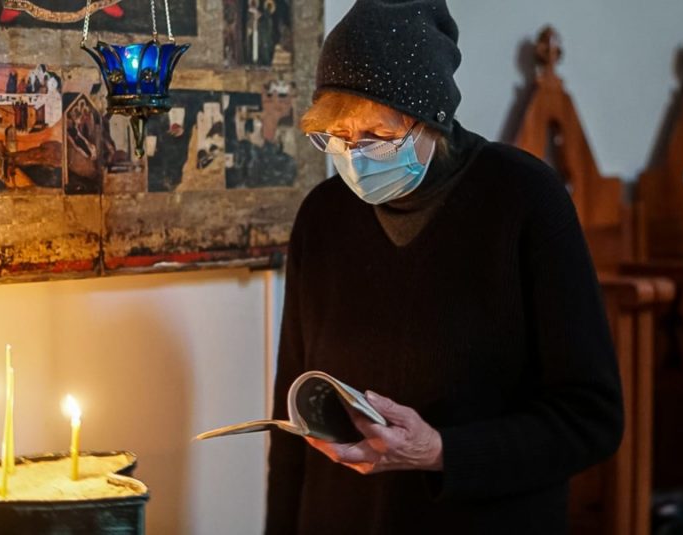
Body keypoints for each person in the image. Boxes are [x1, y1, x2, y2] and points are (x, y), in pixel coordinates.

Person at [265, 1, 624, 534]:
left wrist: (440, 451)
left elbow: (591, 419)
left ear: (432, 118)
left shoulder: (524, 199)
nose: (355, 157)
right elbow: (293, 426)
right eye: (338, 136)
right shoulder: (324, 215)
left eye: (378, 137)